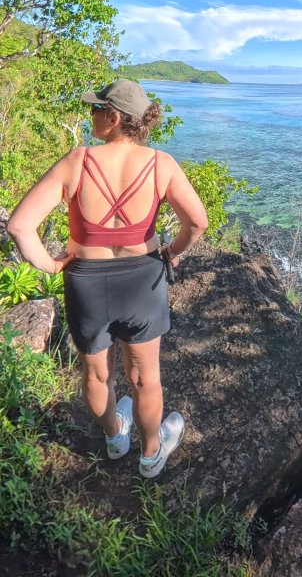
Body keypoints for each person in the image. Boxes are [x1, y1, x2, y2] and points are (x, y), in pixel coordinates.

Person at [7, 78, 208, 478]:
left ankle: (116, 437)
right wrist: (172, 251)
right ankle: (152, 454)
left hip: (86, 281)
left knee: (98, 373)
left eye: (97, 109)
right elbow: (198, 222)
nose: (92, 115)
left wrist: (51, 264)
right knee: (145, 378)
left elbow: (19, 227)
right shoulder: (161, 164)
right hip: (142, 282)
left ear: (114, 118)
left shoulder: (76, 161)